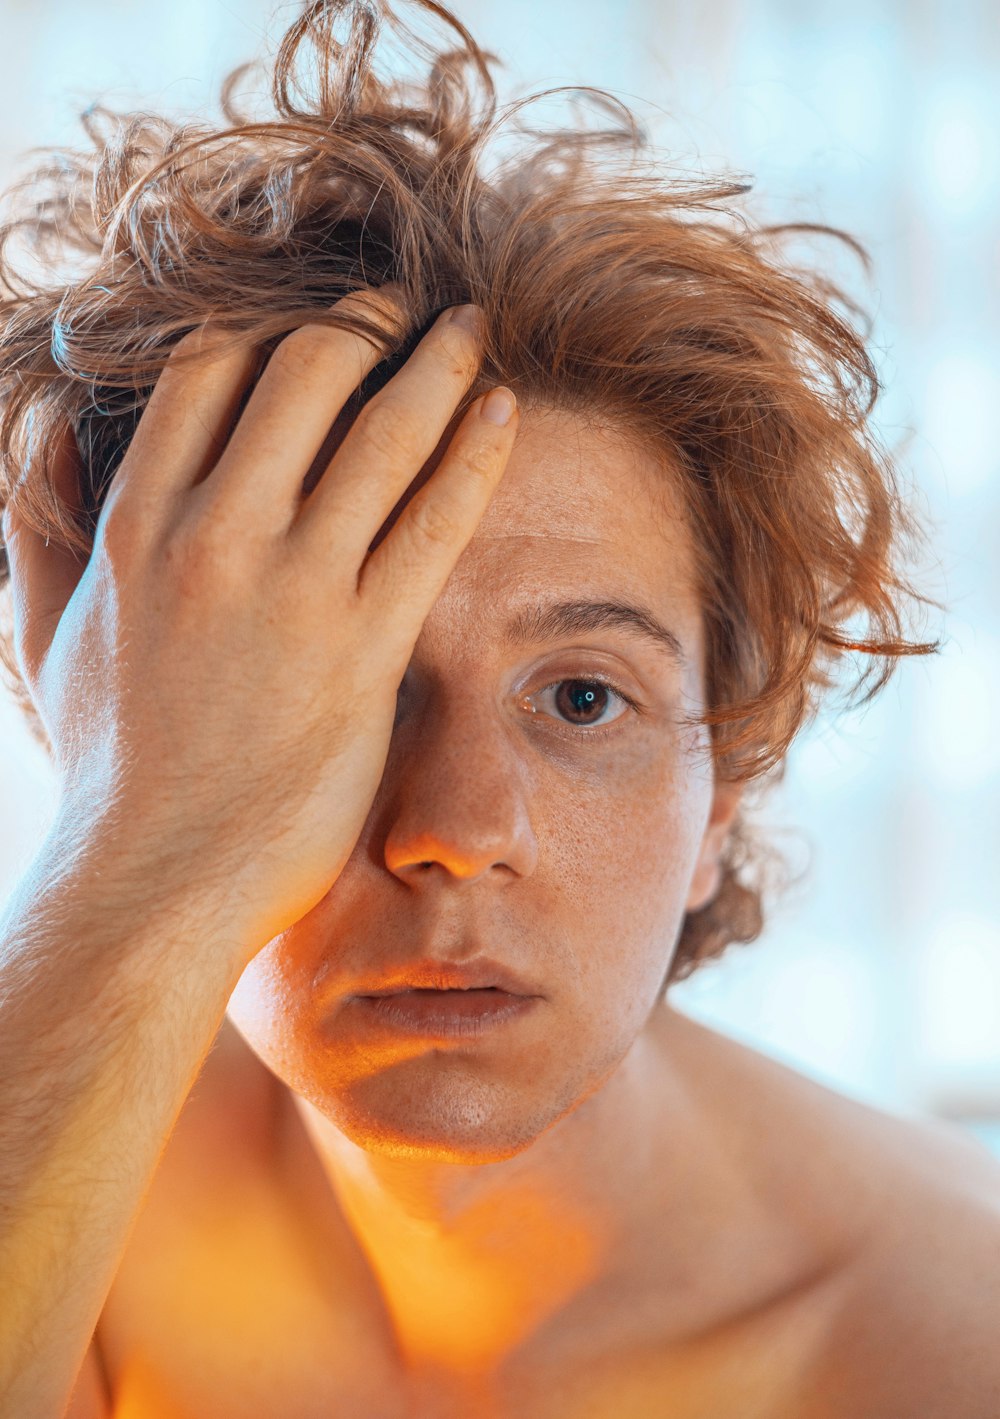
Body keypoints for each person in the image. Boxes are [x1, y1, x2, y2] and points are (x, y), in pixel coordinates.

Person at [1, 1, 998, 1415]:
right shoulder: (74, 1209)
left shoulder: (948, 1344)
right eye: (341, 688)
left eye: (584, 696)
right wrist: (133, 856)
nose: (453, 832)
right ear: (139, 724)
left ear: (723, 797)